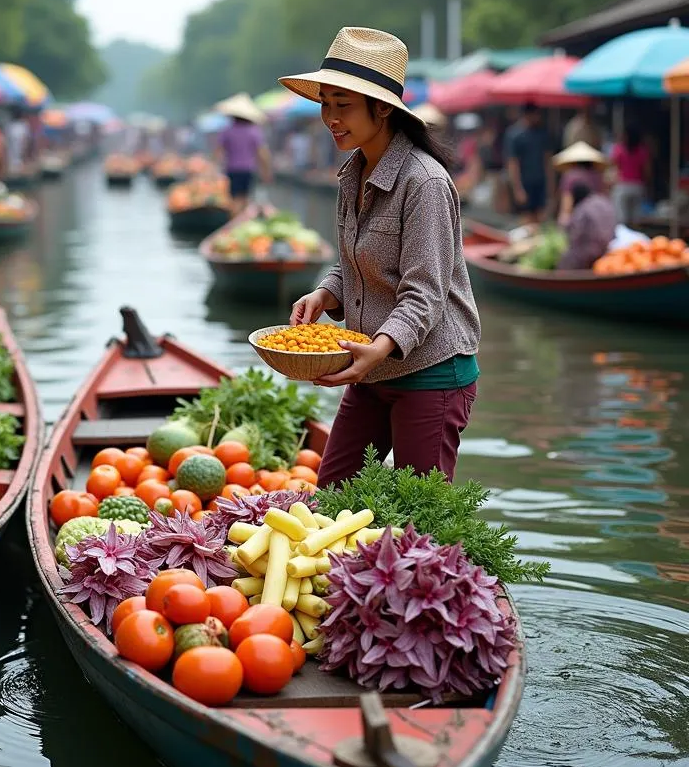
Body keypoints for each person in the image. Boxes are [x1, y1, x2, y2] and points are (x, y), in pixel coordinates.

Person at [281, 27, 480, 484]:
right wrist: (325, 295)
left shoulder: (424, 183)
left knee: (420, 516)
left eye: (343, 105)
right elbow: (354, 259)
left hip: (431, 370)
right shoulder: (352, 171)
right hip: (370, 367)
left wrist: (375, 352)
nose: (330, 117)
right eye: (325, 103)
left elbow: (424, 295)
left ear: (383, 107)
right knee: (333, 492)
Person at [214, 93, 272, 214]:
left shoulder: (227, 130)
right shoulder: (254, 131)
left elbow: (218, 152)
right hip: (248, 170)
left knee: (234, 199)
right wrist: (266, 172)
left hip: (232, 170)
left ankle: (234, 222)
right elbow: (262, 154)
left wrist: (215, 170)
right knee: (245, 198)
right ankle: (240, 222)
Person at [504, 103, 552, 223]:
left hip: (540, 181)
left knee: (541, 217)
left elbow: (547, 161)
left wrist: (550, 186)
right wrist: (518, 188)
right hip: (525, 182)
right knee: (526, 218)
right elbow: (513, 163)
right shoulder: (515, 135)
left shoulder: (542, 134)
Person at [557, 181, 617, 271]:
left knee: (564, 260)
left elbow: (575, 235)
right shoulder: (603, 200)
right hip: (609, 247)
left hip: (591, 252)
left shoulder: (582, 208)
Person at [552, 141, 607, 223]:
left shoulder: (570, 176)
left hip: (578, 218)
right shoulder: (597, 176)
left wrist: (563, 220)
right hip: (597, 217)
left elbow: (567, 203)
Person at [610, 124, 651, 225]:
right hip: (637, 186)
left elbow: (613, 166)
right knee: (635, 220)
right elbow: (647, 171)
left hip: (622, 186)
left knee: (621, 219)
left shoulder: (619, 149)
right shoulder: (642, 150)